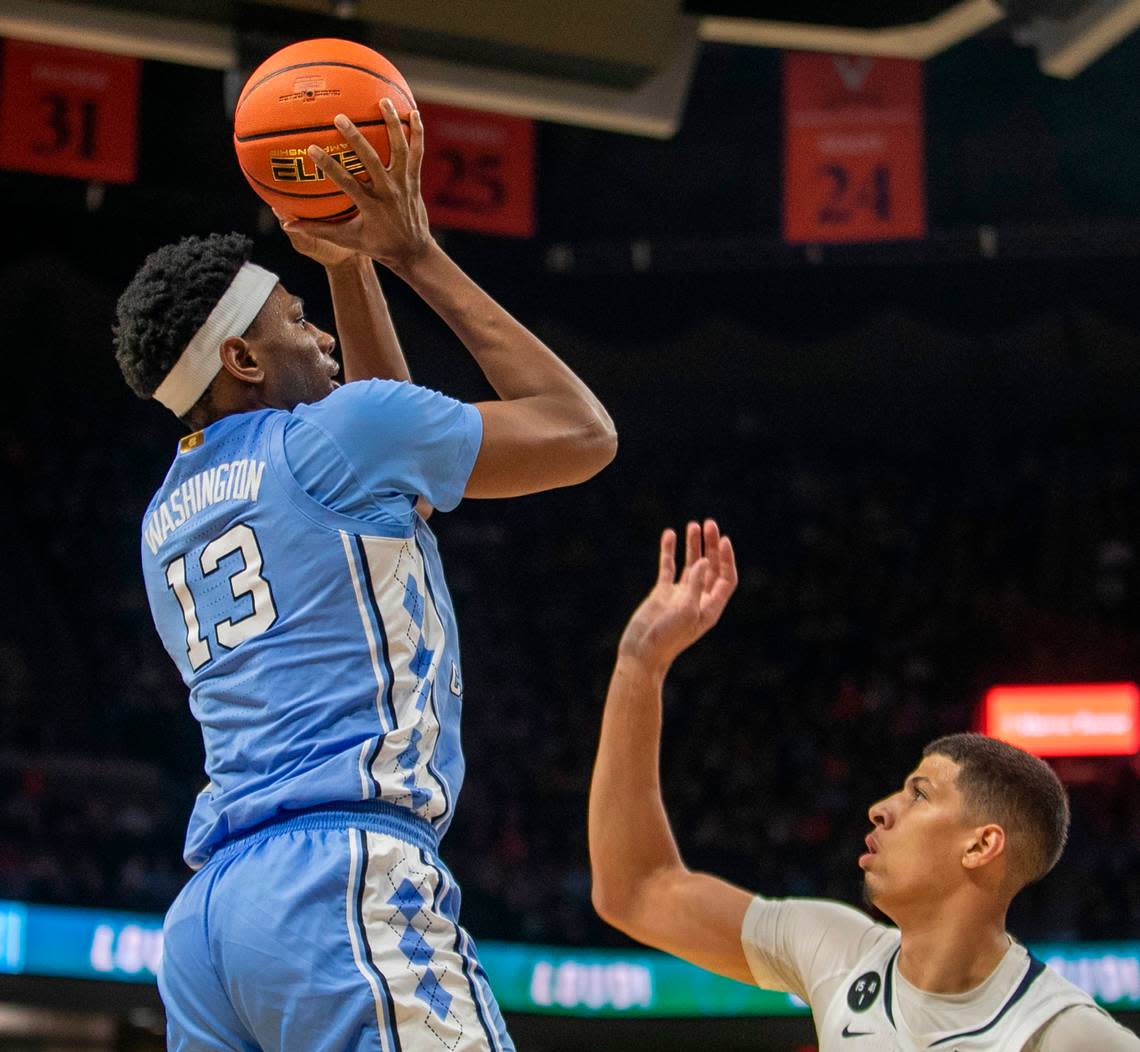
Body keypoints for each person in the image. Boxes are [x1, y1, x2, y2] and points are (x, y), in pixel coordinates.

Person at [114, 99, 615, 1051]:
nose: (325, 338)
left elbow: (402, 485)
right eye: (299, 319)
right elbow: (583, 433)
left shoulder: (164, 516)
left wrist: (344, 269)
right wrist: (410, 252)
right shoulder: (336, 439)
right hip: (337, 879)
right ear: (242, 356)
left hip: (211, 925)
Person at [588, 520, 1140, 1051]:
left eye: (920, 794)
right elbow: (636, 889)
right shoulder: (835, 948)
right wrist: (640, 665)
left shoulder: (1063, 1033)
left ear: (981, 845)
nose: (879, 809)